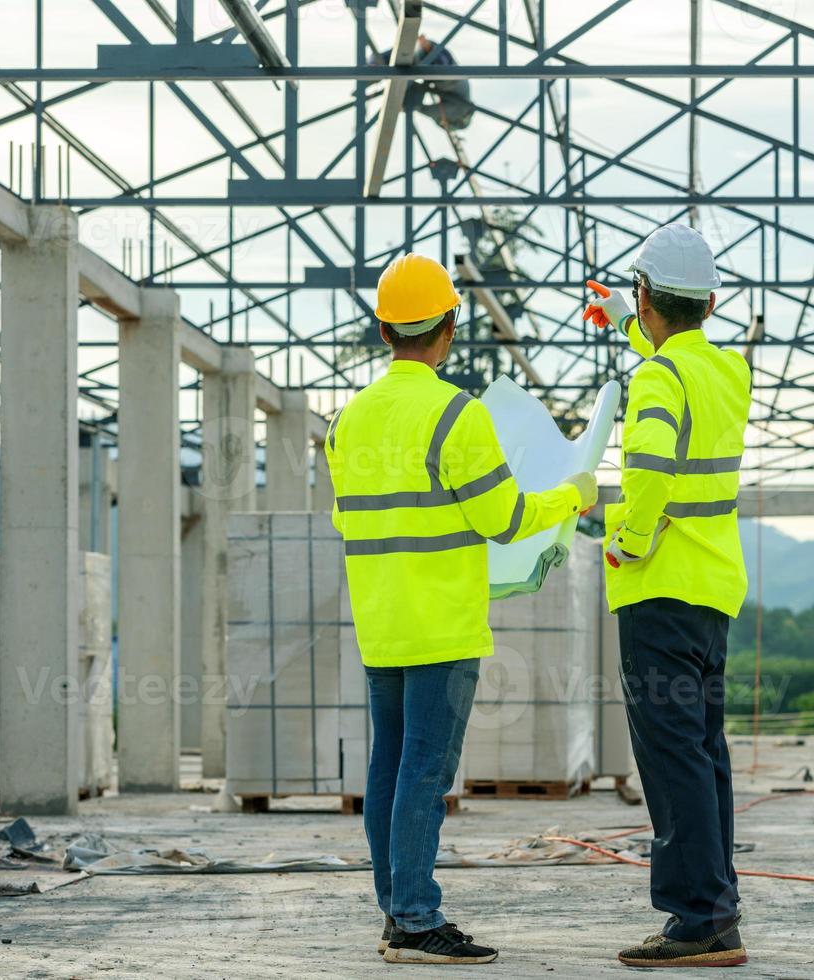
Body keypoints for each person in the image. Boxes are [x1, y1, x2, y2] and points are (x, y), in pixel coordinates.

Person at [327, 254, 598, 965]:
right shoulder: (458, 414)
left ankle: (397, 910)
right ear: (449, 326)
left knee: (389, 766)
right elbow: (505, 518)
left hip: (381, 623)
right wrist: (574, 494)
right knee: (424, 771)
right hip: (441, 624)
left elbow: (347, 518)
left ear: (384, 329)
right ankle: (416, 920)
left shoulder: (347, 423)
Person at [584, 224, 751, 968]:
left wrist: (626, 541)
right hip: (712, 589)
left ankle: (697, 920)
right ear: (712, 303)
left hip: (659, 589)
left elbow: (648, 474)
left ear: (650, 295)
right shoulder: (728, 372)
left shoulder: (656, 380)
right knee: (703, 751)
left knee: (672, 756)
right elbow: (677, 355)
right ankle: (714, 903)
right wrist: (628, 319)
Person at [368, 34, 475, 131]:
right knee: (422, 61)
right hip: (441, 70)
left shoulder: (462, 105)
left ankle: (374, 64)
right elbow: (427, 109)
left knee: (408, 57)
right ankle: (375, 64)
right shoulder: (459, 112)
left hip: (441, 62)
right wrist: (406, 107)